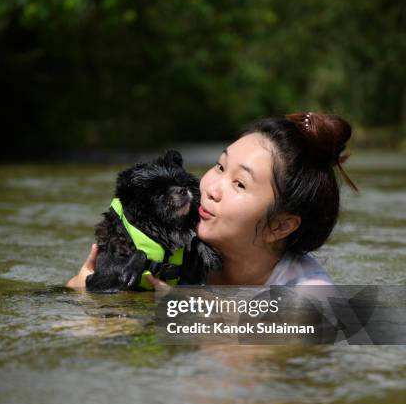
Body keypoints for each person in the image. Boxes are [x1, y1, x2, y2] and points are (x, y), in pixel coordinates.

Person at [67, 112, 358, 290]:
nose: (211, 188)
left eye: (240, 183)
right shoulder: (172, 242)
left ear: (281, 225)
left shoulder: (308, 292)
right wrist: (84, 289)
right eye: (220, 166)